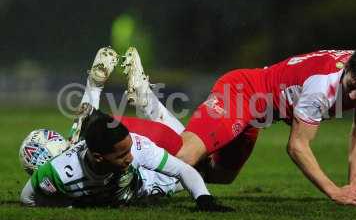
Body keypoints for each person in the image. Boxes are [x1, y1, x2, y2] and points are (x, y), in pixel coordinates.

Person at [133, 45, 356, 206]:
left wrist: (354, 185)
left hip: (258, 114)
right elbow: (297, 146)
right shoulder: (322, 87)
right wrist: (334, 191)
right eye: (351, 87)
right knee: (186, 155)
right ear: (347, 67)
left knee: (220, 175)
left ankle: (150, 108)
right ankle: (129, 148)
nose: (354, 97)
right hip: (242, 94)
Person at [20, 47, 231, 211]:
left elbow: (184, 170)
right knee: (198, 157)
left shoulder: (136, 149)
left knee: (194, 158)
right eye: (122, 153)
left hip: (150, 176)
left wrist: (204, 200)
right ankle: (135, 94)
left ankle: (117, 92)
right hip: (121, 170)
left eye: (127, 151)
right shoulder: (60, 171)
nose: (128, 157)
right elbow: (27, 198)